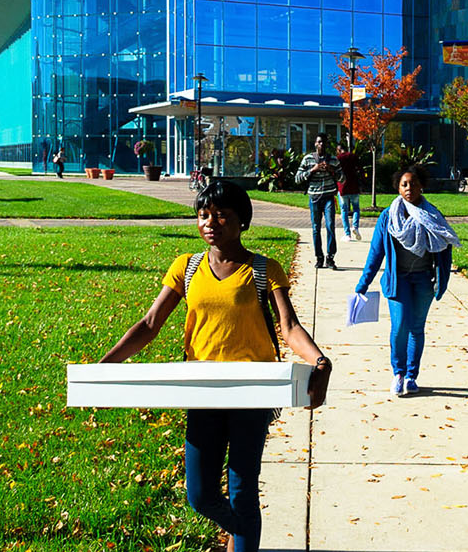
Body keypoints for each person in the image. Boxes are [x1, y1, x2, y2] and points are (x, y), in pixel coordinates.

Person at [100, 180, 331, 552]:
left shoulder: (263, 269)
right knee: (200, 495)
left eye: (222, 216)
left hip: (251, 393)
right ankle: (244, 536)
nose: (211, 223)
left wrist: (319, 360)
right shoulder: (186, 268)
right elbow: (149, 324)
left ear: (243, 221)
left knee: (242, 487)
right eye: (204, 215)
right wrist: (104, 367)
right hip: (203, 391)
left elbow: (288, 326)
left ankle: (243, 545)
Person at [355, 165, 457, 397]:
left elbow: (444, 249)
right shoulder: (388, 217)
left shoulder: (432, 215)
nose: (409, 188)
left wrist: (442, 279)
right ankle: (398, 373)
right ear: (398, 188)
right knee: (400, 325)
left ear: (422, 185)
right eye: (404, 184)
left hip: (423, 281)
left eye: (413, 183)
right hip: (397, 280)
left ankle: (411, 376)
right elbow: (376, 252)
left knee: (416, 328)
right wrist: (363, 283)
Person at [296, 133, 340, 269]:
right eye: (319, 142)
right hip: (314, 198)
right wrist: (312, 170)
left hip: (328, 197)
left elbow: (343, 178)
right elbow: (297, 178)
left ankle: (330, 258)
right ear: (315, 144)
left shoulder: (333, 159)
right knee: (316, 228)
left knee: (330, 226)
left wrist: (332, 170)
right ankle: (319, 257)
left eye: (324, 142)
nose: (322, 144)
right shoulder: (308, 159)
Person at [336, 141, 364, 242]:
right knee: (356, 208)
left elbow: (335, 172)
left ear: (339, 150)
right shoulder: (353, 156)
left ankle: (347, 234)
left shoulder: (338, 159)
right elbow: (360, 169)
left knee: (344, 210)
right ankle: (355, 227)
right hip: (354, 186)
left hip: (342, 187)